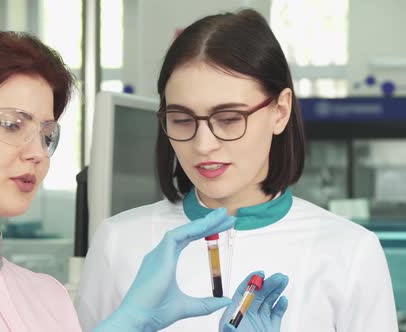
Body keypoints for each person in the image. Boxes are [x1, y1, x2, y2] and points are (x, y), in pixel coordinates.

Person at [0, 31, 288, 332]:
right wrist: (122, 324)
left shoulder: (46, 296)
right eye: (11, 124)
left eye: (46, 134)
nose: (36, 152)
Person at [75, 8, 398, 332]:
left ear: (280, 111)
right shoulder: (119, 241)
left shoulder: (350, 251)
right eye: (182, 120)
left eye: (229, 119)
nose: (203, 145)